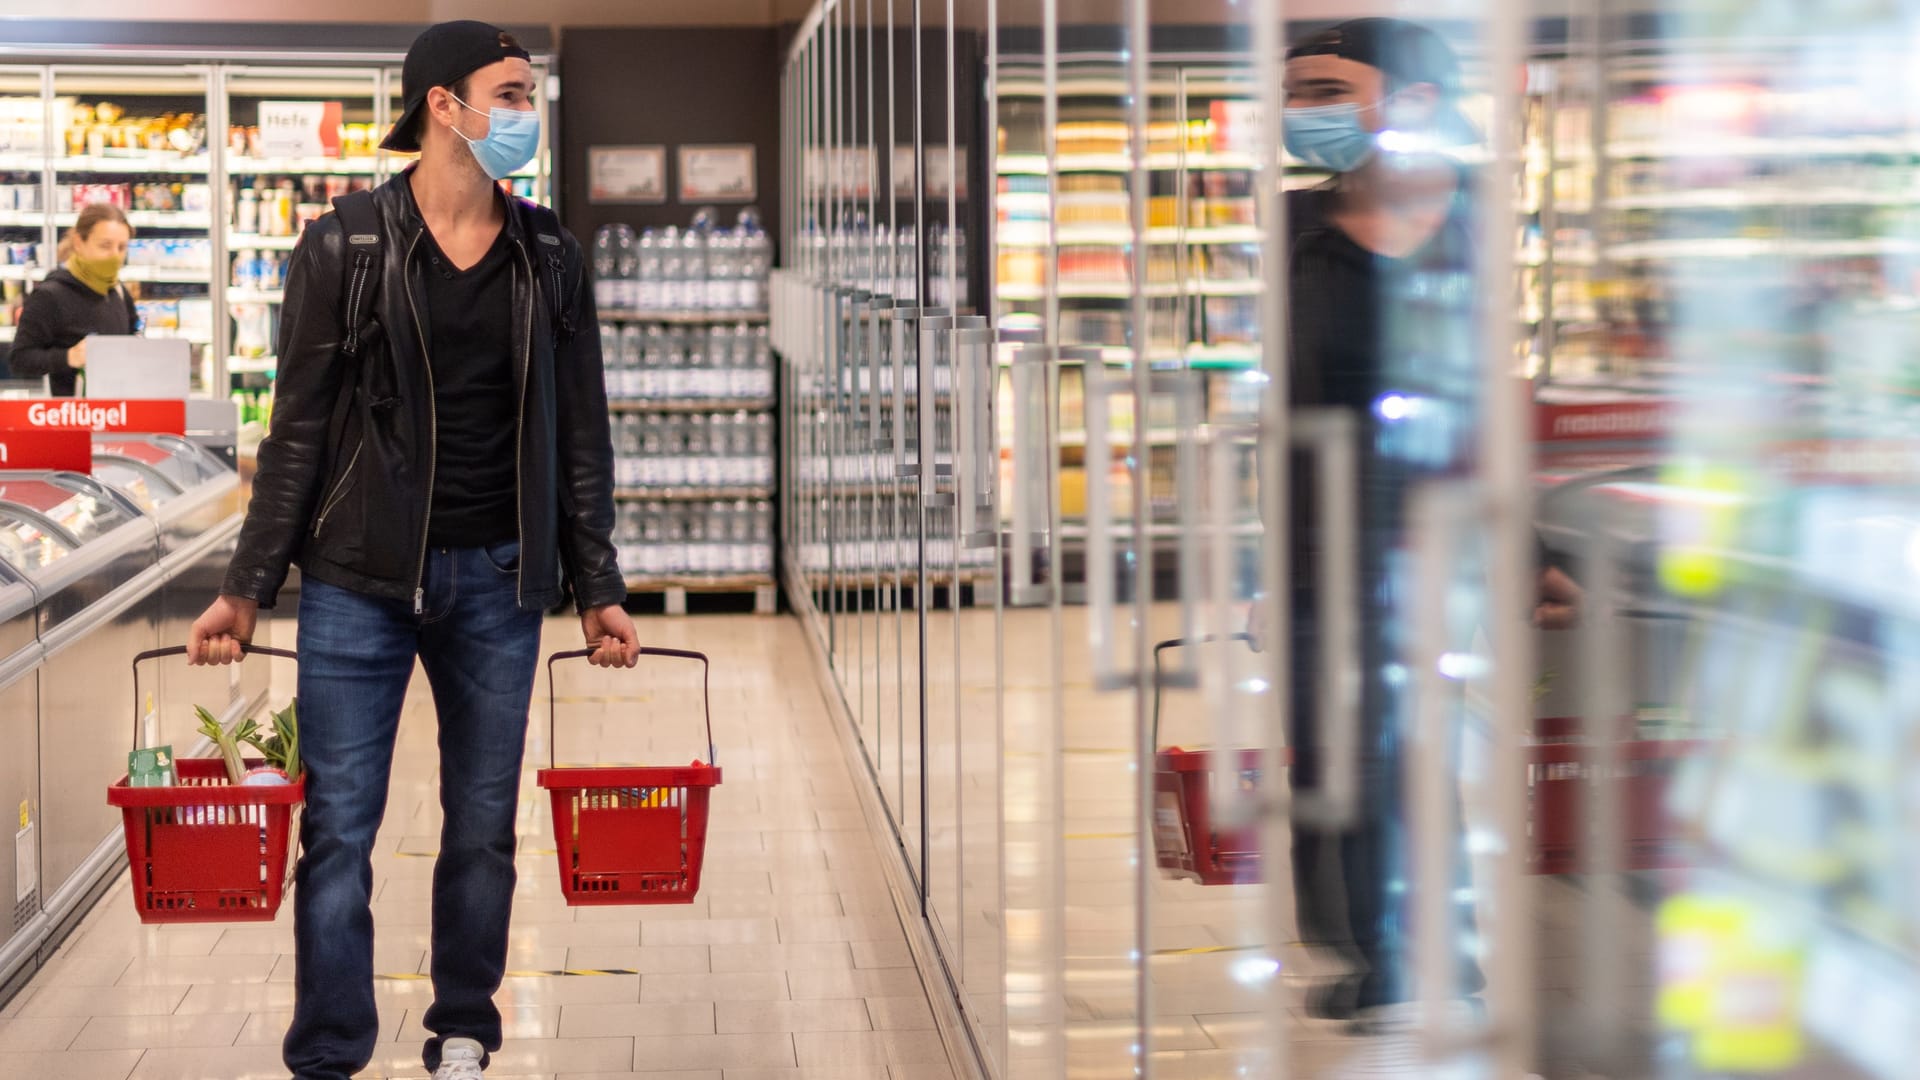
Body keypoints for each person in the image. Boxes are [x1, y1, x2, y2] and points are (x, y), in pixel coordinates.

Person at [186, 21, 639, 1080]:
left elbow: (582, 433)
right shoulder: (344, 245)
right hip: (359, 581)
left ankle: (464, 1030)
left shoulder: (550, 255)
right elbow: (295, 431)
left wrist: (600, 582)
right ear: (444, 104)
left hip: (497, 576)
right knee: (338, 830)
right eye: (511, 92)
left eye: (528, 95)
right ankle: (332, 1051)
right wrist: (247, 588)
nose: (526, 113)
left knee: (482, 826)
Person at [1277, 16, 1490, 1037]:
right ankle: (1377, 949)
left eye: (1325, 91)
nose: (1301, 113)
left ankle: (1428, 957)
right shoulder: (1289, 229)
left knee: (1414, 744)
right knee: (1336, 752)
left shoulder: (1473, 223)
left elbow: (1499, 401)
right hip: (1322, 535)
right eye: (1296, 94)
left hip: (1445, 528)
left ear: (1408, 101)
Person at [9, 203, 138, 396]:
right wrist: (68, 357)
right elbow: (20, 359)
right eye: (105, 245)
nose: (115, 256)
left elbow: (134, 332)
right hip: (72, 418)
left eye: (122, 247)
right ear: (79, 242)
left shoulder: (118, 290)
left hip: (120, 413)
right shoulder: (50, 296)